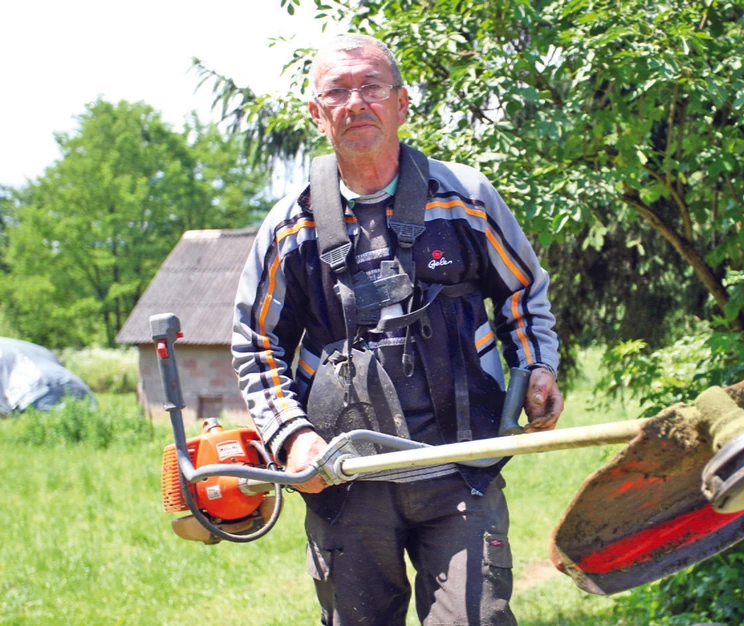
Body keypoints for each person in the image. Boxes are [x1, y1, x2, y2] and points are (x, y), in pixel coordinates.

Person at [232, 33, 563, 626]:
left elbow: (521, 293)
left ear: (402, 103)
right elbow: (257, 341)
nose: (355, 102)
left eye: (371, 87)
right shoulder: (291, 224)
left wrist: (536, 367)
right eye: (337, 91)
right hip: (346, 478)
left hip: (463, 462)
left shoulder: (464, 198)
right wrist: (291, 436)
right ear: (316, 111)